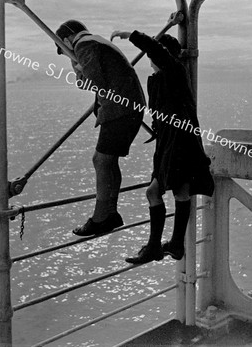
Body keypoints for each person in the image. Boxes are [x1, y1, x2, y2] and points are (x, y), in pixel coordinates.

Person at [111, 20, 214, 264]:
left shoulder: (174, 70)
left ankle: (161, 246)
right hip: (171, 140)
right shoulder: (161, 78)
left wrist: (130, 34)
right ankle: (167, 245)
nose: (151, 58)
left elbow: (158, 51)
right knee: (170, 190)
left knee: (168, 190)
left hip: (180, 140)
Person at [55, 20, 145, 236]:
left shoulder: (84, 45)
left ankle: (100, 218)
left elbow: (95, 83)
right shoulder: (95, 41)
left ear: (68, 40)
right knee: (108, 160)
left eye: (64, 49)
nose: (67, 54)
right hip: (128, 107)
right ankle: (110, 213)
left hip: (119, 110)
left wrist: (78, 68)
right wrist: (81, 70)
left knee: (101, 160)